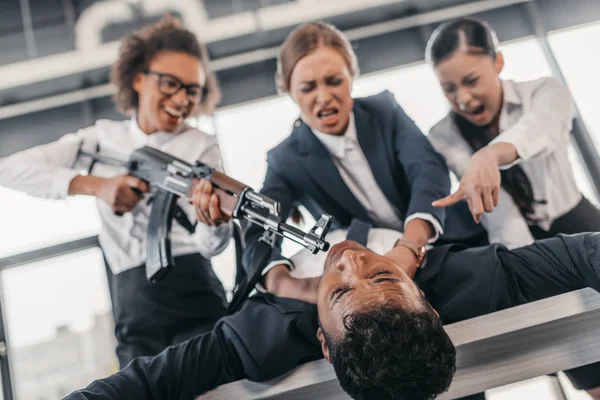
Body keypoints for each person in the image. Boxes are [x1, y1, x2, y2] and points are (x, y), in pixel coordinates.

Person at [65, 227, 600, 400]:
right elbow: (587, 255)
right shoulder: (482, 285)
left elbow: (145, 384)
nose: (348, 264)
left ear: (323, 341)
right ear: (428, 306)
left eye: (339, 293)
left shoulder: (263, 337)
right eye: (384, 276)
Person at [0, 16, 232, 367]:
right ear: (138, 79)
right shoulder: (101, 139)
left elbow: (210, 246)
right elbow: (11, 169)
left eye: (192, 90)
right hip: (133, 307)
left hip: (196, 292)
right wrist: (98, 186)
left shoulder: (201, 145)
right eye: (170, 83)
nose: (182, 99)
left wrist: (213, 222)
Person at [225, 20, 485, 296]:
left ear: (352, 75)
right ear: (288, 90)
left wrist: (409, 247)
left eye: (334, 81)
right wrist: (290, 285)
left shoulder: (385, 110)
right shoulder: (285, 159)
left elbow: (427, 171)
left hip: (446, 240)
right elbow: (261, 226)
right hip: (372, 276)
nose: (323, 97)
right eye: (308, 88)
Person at [427, 17, 600, 249]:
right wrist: (522, 260)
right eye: (449, 88)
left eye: (472, 81)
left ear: (498, 62)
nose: (463, 99)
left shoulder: (545, 91)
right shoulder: (442, 134)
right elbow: (499, 213)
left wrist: (490, 155)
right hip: (515, 238)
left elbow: (539, 129)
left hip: (580, 221)